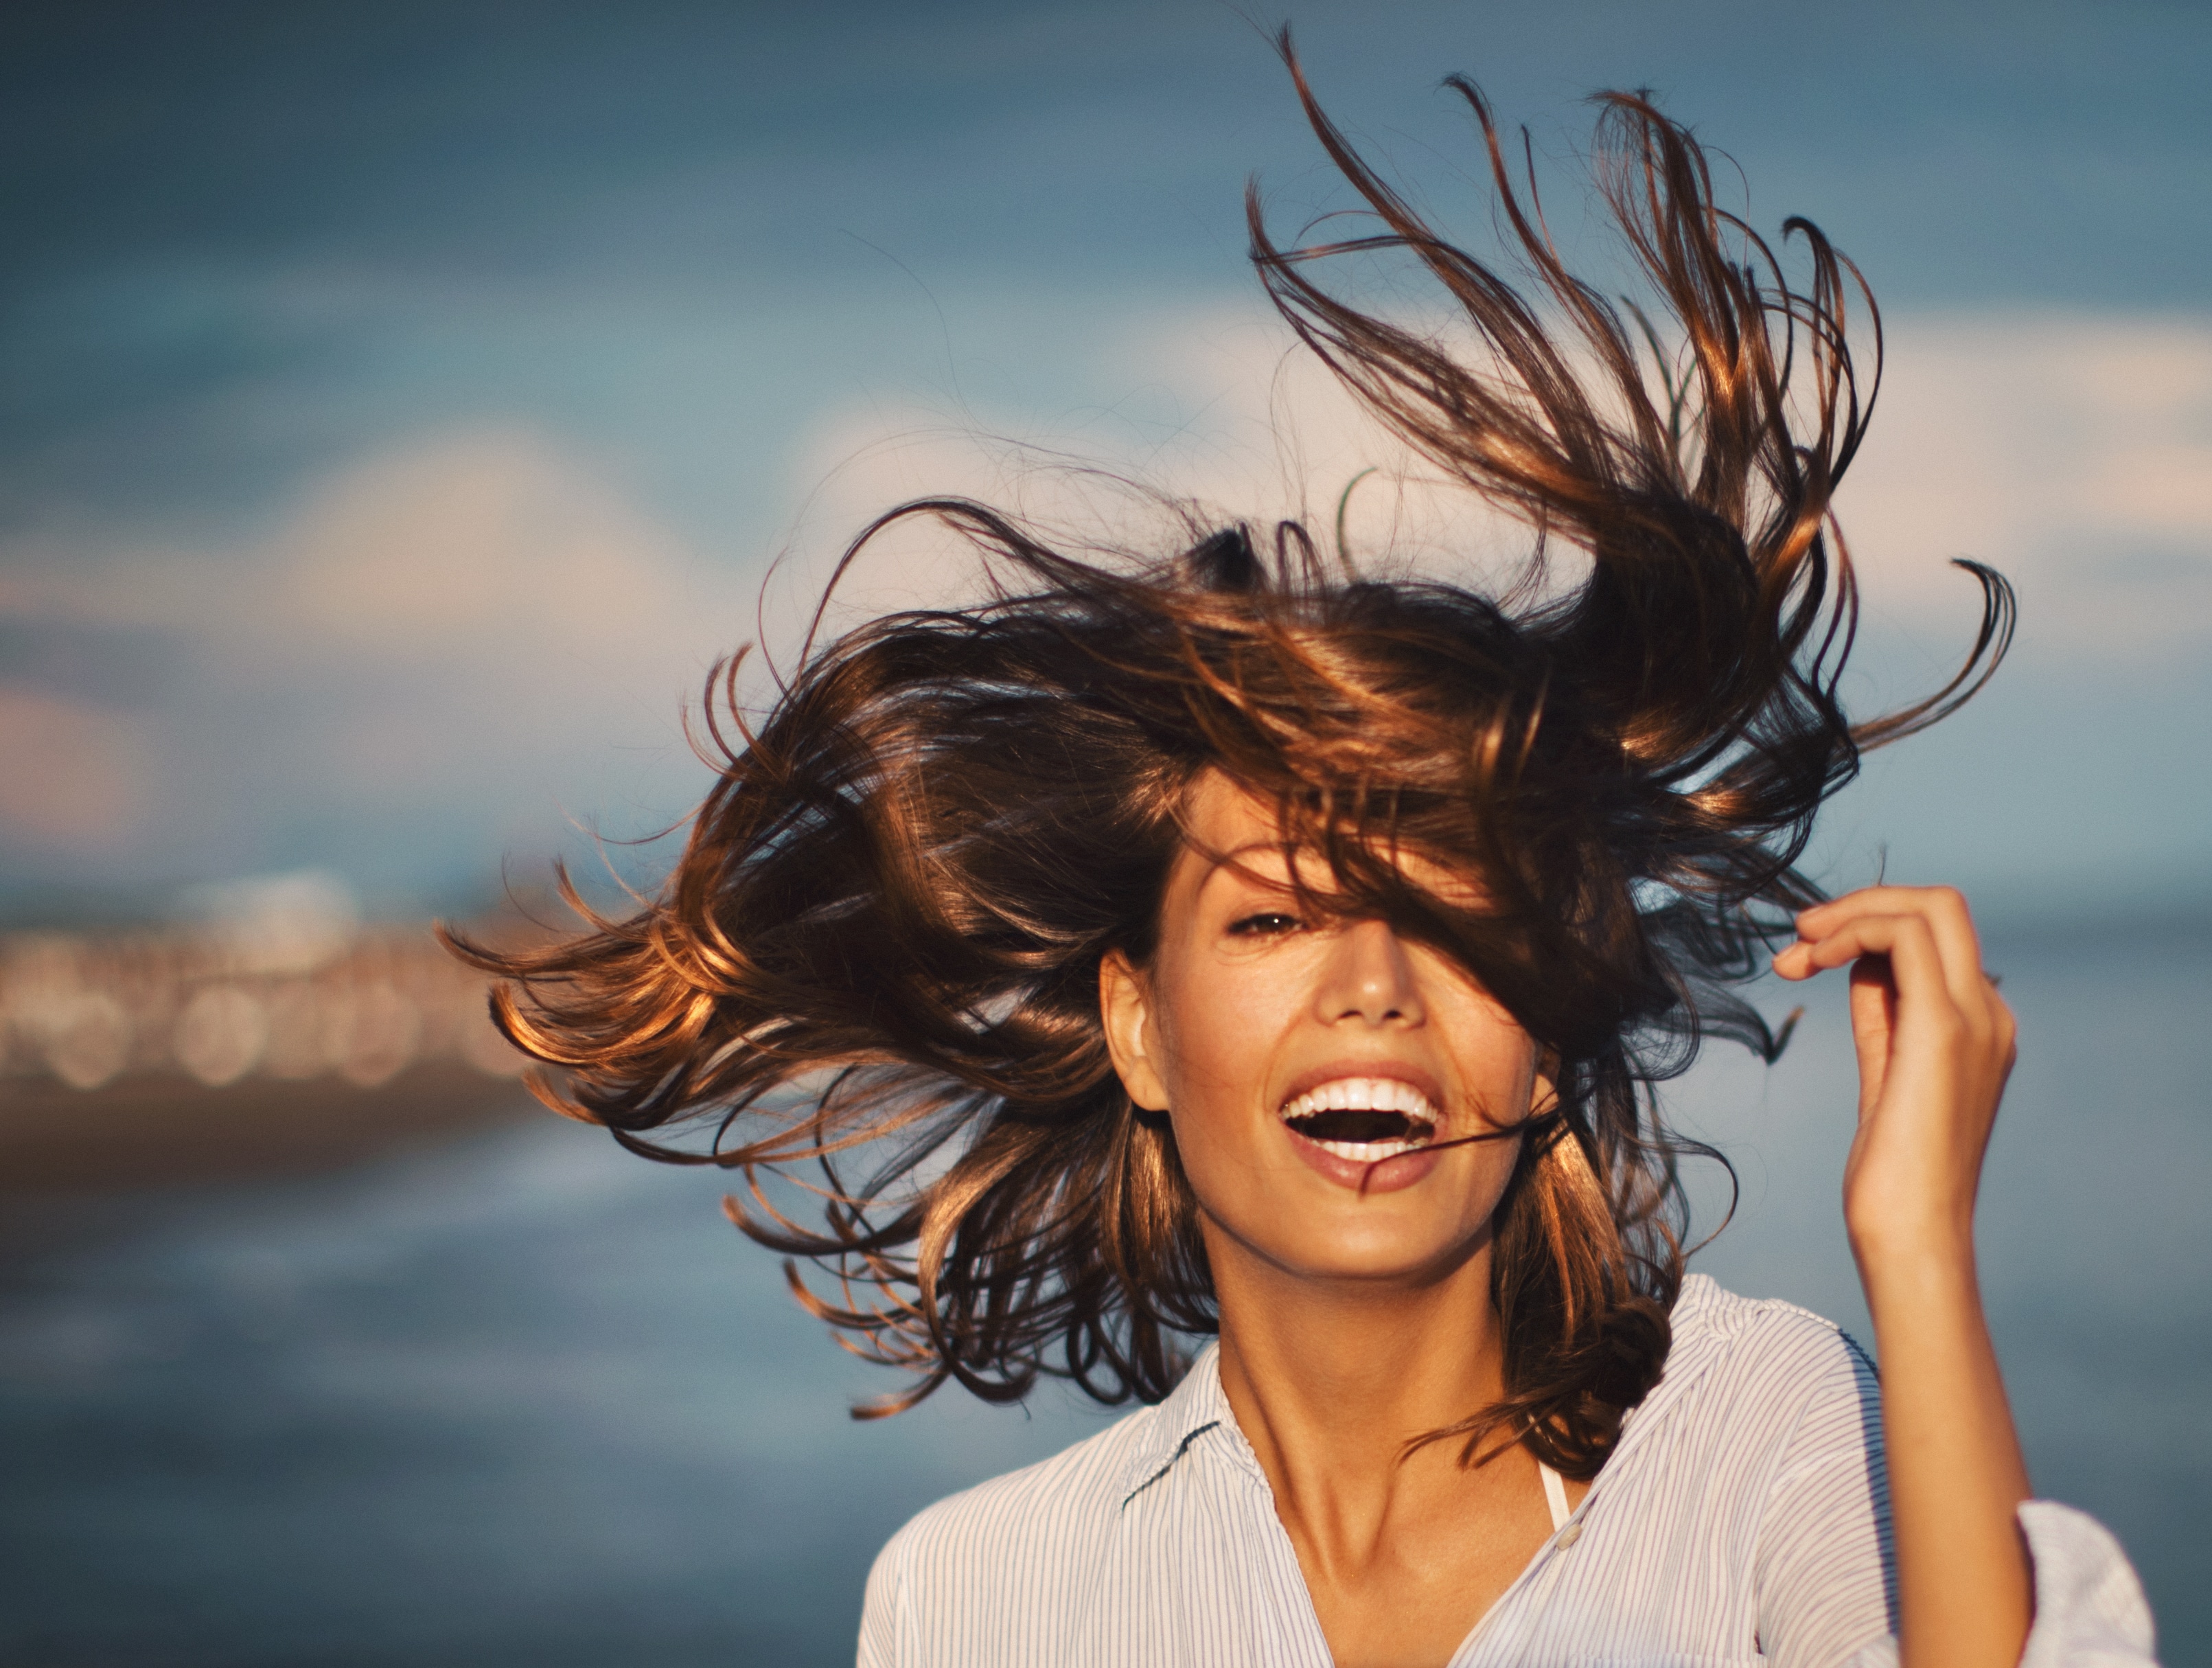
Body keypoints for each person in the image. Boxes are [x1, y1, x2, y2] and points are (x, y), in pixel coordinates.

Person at [450, 43, 2159, 1668]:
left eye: (1455, 924)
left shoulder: (1768, 1429)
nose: (1374, 988)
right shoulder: (982, 1599)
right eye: (1272, 918)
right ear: (1136, 1024)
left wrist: (1920, 1242)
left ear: (1549, 1024)